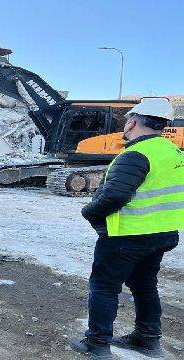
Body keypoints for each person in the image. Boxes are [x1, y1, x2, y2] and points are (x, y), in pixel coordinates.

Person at [69, 98, 183, 359]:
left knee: (104, 286)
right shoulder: (175, 153)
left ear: (132, 121)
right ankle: (147, 338)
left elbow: (114, 196)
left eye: (127, 120)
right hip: (162, 233)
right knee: (144, 285)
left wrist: (88, 212)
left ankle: (97, 344)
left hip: (128, 235)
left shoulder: (135, 154)